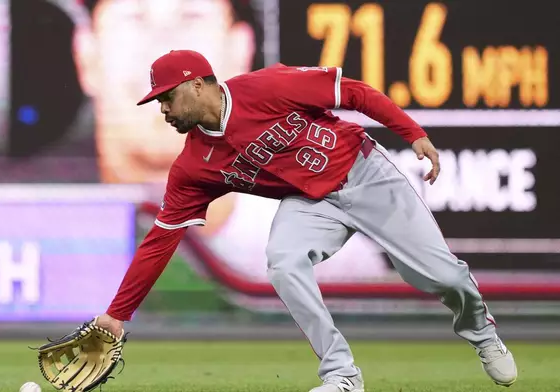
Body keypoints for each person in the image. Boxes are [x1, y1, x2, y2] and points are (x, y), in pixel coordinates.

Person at [93, 50, 518, 392]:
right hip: (311, 202)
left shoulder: (266, 86)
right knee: (283, 261)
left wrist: (412, 132)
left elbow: (353, 93)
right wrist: (118, 314)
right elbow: (160, 240)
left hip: (364, 173)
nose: (163, 108)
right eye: (158, 101)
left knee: (442, 276)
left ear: (198, 84)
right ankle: (342, 376)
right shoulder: (193, 167)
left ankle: (481, 333)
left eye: (167, 96)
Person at [71, 0, 391, 299]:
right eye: (136, 18)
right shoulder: (34, 244)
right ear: (86, 54)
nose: (163, 50)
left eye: (191, 17)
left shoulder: (327, 252)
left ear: (240, 51)